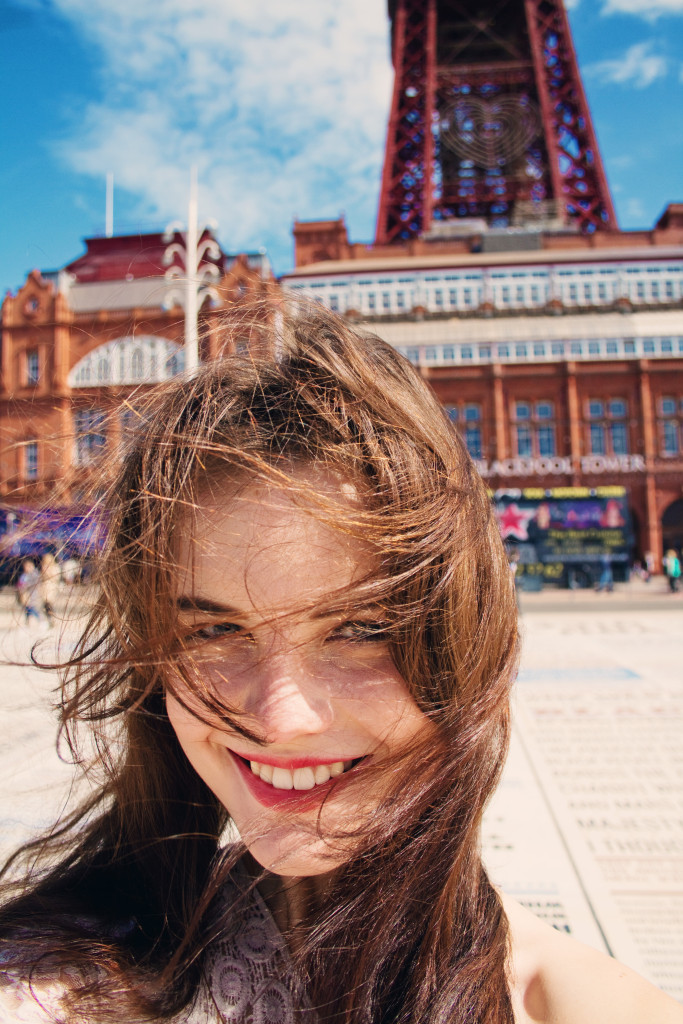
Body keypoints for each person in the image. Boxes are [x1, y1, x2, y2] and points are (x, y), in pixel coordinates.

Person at [0, 306, 680, 1024]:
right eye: (213, 630)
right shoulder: (63, 980)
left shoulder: (573, 1004)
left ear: (469, 638)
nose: (281, 719)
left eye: (360, 628)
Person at [15, 558, 43, 625]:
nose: (25, 568)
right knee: (26, 608)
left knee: (31, 607)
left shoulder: (34, 573)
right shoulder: (24, 574)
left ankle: (40, 619)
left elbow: (36, 583)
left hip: (32, 594)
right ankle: (27, 622)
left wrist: (26, 586)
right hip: (25, 594)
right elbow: (20, 583)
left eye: (27, 566)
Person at [39, 552, 61, 625]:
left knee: (49, 603)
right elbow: (41, 578)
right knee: (45, 604)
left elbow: (56, 577)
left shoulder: (55, 567)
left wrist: (47, 572)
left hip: (51, 587)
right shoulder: (43, 567)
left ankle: (52, 618)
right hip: (44, 588)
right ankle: (50, 619)